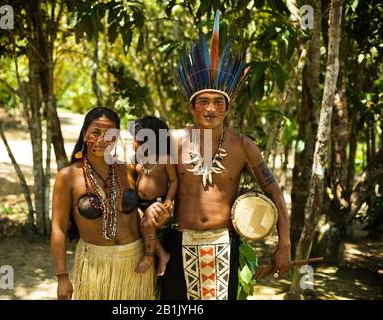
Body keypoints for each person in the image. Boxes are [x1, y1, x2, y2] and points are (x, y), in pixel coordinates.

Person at [161, 10, 291, 300]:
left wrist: (284, 244)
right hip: (178, 242)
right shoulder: (174, 141)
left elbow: (274, 192)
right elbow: (151, 189)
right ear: (192, 107)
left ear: (227, 109)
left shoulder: (243, 146)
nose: (210, 109)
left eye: (218, 102)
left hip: (224, 245)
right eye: (203, 102)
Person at [50, 107, 169, 300]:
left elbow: (145, 210)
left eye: (110, 134)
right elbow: (59, 228)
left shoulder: (128, 170)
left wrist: (160, 217)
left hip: (135, 263)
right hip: (95, 266)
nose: (102, 140)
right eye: (95, 132)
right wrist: (62, 277)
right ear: (85, 133)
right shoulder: (68, 177)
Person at [132, 116, 178, 276]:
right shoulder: (138, 161)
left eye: (135, 140)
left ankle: (151, 256)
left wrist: (169, 199)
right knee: (134, 218)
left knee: (146, 225)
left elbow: (173, 181)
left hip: (158, 203)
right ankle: (161, 253)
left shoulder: (165, 160)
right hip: (140, 203)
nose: (133, 144)